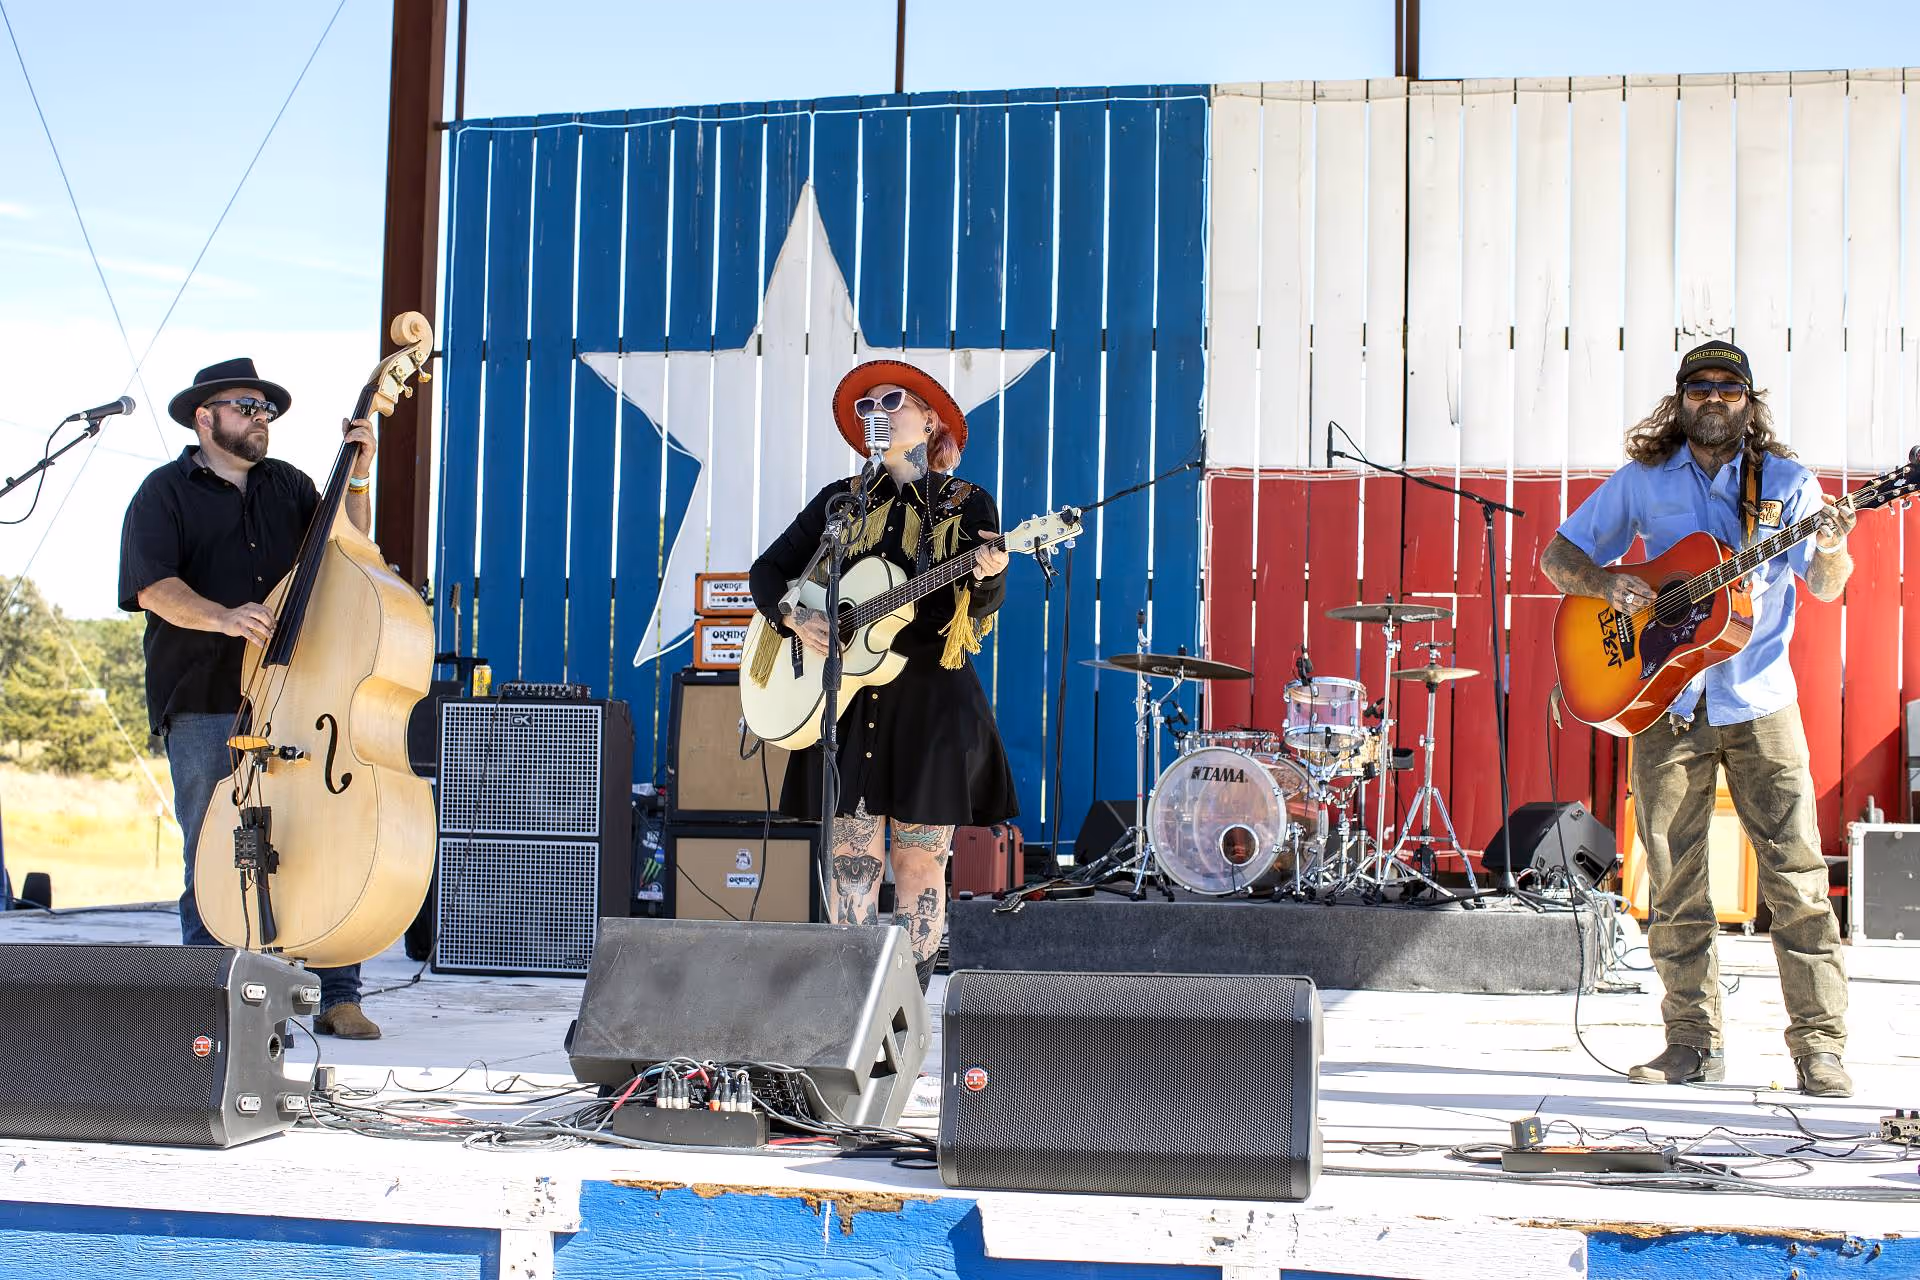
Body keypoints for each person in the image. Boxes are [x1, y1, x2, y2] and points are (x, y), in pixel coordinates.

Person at [1541, 341, 1854, 1097]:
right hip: (1664, 703)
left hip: (1760, 701)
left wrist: (1835, 544)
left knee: (1798, 880)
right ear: (1680, 398)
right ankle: (1691, 1044)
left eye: (1729, 387)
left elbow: (1825, 583)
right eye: (1700, 386)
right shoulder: (1644, 480)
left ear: (1749, 401)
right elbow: (1559, 557)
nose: (1714, 397)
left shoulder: (1788, 483)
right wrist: (1607, 582)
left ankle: (1820, 1049)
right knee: (1674, 881)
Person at [118, 357, 384, 1040]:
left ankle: (337, 992)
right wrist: (224, 617)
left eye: (266, 409)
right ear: (204, 417)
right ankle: (217, 1001)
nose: (260, 418)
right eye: (245, 406)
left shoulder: (291, 485)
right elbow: (153, 588)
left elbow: (348, 545)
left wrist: (357, 474)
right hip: (206, 695)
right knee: (214, 849)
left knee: (319, 834)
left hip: (296, 692)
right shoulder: (163, 492)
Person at [748, 359, 1017, 989]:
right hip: (846, 700)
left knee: (921, 862)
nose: (875, 413)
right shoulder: (841, 503)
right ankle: (851, 1005)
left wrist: (991, 572)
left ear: (928, 418)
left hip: (929, 695)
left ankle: (907, 1011)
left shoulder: (967, 502)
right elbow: (767, 572)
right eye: (866, 406)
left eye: (890, 401)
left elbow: (981, 606)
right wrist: (793, 619)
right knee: (850, 860)